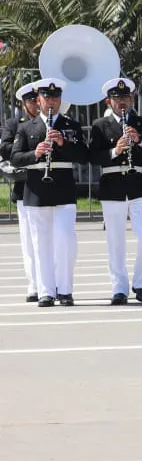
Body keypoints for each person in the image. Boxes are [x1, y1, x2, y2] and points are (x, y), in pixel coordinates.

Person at [10, 78, 86, 306]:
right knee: (40, 242)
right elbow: (15, 157)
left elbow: (84, 156)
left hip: (63, 188)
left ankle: (65, 290)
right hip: (36, 189)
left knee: (66, 239)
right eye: (47, 97)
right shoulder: (26, 127)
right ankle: (46, 291)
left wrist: (63, 143)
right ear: (38, 100)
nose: (51, 101)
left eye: (55, 97)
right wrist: (34, 153)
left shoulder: (71, 125)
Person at [89, 77, 142, 305]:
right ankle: (119, 287)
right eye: (117, 98)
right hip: (112, 185)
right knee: (115, 240)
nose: (122, 102)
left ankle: (141, 283)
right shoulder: (100, 125)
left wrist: (139, 141)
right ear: (108, 101)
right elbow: (93, 156)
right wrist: (114, 151)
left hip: (136, 183)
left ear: (132, 99)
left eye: (125, 97)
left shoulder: (141, 122)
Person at [0, 82, 41, 302]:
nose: (36, 104)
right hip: (25, 186)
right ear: (23, 104)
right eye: (31, 101)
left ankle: (51, 282)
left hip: (50, 186)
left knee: (52, 238)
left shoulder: (49, 122)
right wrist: (25, 143)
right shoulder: (14, 124)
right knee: (29, 239)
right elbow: (5, 148)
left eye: (37, 100)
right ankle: (34, 284)